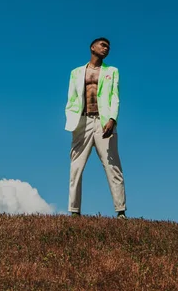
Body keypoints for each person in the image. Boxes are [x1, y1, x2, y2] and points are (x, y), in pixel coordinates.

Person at [65, 37, 127, 219]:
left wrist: (112, 119)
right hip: (82, 122)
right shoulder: (76, 72)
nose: (106, 48)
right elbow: (71, 99)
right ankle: (74, 212)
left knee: (113, 166)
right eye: (103, 45)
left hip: (103, 122)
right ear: (92, 47)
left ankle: (121, 211)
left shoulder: (112, 71)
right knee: (75, 167)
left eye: (108, 46)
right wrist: (71, 119)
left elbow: (115, 97)